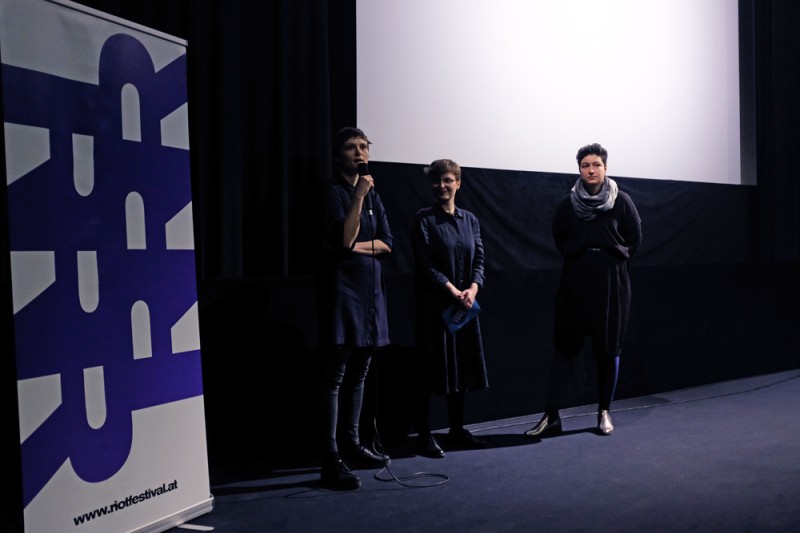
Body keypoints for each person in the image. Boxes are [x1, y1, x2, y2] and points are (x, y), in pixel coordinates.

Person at [524, 143, 642, 438]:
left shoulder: (622, 201)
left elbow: (635, 238)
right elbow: (558, 235)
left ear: (605, 168)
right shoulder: (568, 203)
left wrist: (612, 257)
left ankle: (604, 411)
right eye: (585, 165)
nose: (591, 169)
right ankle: (551, 416)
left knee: (608, 349)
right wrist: (579, 256)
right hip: (576, 282)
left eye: (596, 165)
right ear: (579, 169)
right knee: (564, 349)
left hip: (611, 282)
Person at [316, 127, 393, 490]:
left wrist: (356, 247)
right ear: (339, 155)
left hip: (369, 292)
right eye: (351, 147)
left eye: (364, 146)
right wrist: (359, 196)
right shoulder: (335, 192)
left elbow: (388, 244)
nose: (360, 152)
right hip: (343, 291)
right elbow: (345, 237)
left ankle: (353, 444)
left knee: (360, 371)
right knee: (335, 375)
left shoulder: (376, 194)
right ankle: (330, 458)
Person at [411, 159, 489, 458]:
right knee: (430, 369)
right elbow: (425, 264)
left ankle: (456, 429)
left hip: (463, 307)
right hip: (435, 308)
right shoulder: (424, 219)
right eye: (436, 181)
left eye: (447, 180)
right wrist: (453, 290)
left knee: (461, 366)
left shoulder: (470, 219)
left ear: (458, 182)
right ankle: (425, 435)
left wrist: (473, 288)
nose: (441, 186)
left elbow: (480, 259)